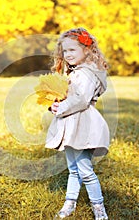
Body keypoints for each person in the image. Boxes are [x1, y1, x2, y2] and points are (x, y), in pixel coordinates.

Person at [45, 27, 110, 220]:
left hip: (83, 126)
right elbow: (71, 96)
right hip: (73, 123)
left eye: (72, 50)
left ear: (86, 49)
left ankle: (99, 208)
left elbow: (81, 100)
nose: (67, 54)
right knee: (73, 169)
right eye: (65, 51)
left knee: (85, 170)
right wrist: (56, 104)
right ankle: (70, 203)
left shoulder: (86, 73)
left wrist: (62, 107)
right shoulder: (76, 72)